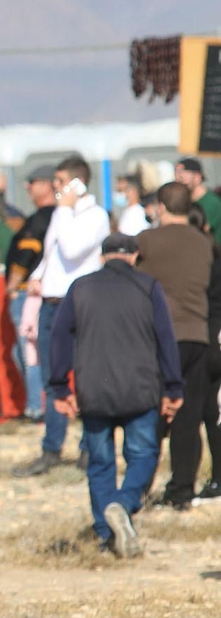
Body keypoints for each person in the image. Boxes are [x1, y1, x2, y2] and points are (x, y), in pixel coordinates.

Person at [49, 233, 183, 558]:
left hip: (93, 390)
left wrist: (59, 387)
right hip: (141, 388)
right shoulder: (148, 287)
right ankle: (122, 504)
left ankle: (106, 537)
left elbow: (59, 337)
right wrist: (173, 387)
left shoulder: (80, 287)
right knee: (143, 455)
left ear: (102, 257)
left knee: (99, 464)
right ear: (135, 256)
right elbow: (166, 338)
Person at [13, 156, 110, 477]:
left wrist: (66, 208)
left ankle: (89, 448)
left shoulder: (95, 216)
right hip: (51, 303)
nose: (55, 188)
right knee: (52, 377)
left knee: (84, 377)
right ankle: (51, 448)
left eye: (60, 181)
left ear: (77, 183)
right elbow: (52, 250)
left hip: (80, 302)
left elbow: (70, 249)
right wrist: (38, 274)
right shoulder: (61, 213)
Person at [136, 182, 221, 509]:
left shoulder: (147, 241)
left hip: (158, 337)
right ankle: (182, 490)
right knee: (189, 416)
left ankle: (140, 486)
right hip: (196, 337)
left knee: (152, 416)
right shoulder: (205, 244)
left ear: (160, 206)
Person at [4, 166, 58, 421]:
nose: (27, 187)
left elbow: (26, 254)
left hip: (31, 293)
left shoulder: (40, 219)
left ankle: (36, 407)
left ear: (47, 185)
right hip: (45, 292)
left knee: (29, 351)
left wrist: (13, 284)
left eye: (32, 182)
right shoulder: (60, 216)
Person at [176, 159, 221, 245]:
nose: (178, 181)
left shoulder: (211, 202)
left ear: (197, 177)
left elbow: (201, 230)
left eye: (182, 179)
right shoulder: (186, 201)